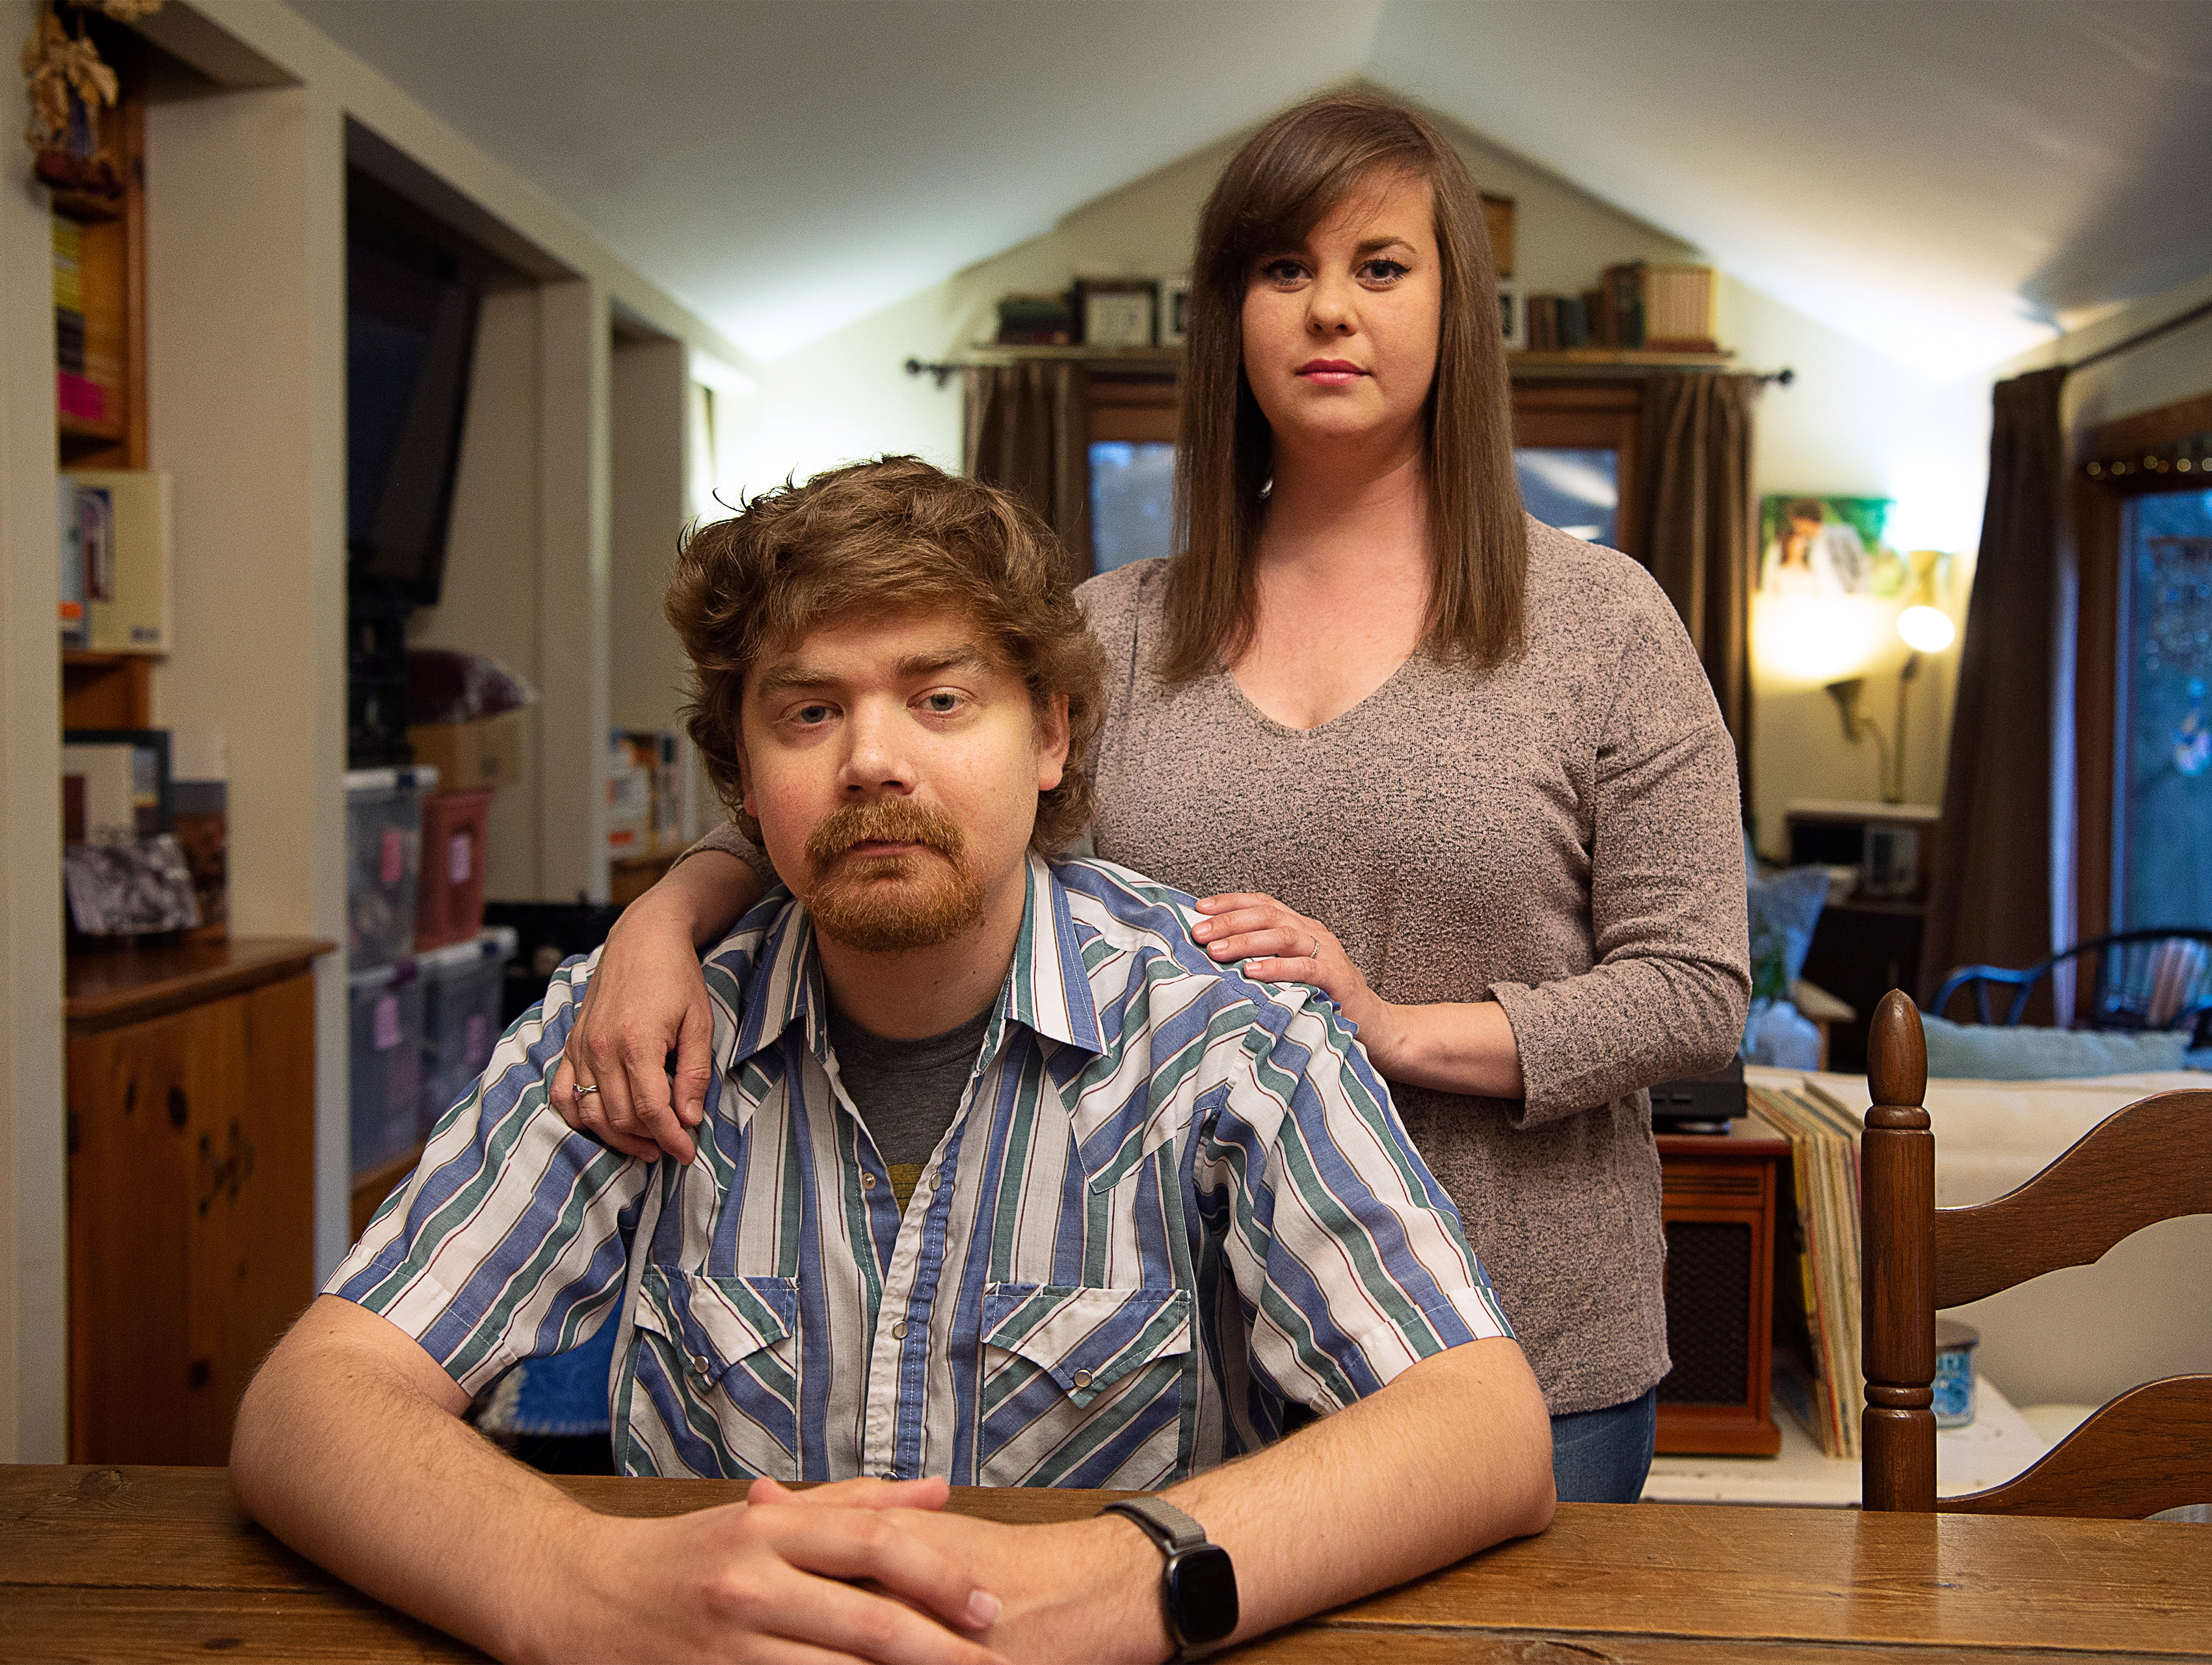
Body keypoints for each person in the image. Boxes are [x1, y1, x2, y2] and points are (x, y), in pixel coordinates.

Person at [557, 90, 1750, 1504]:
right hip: (1165, 1363)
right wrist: (656, 930)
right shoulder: (1106, 630)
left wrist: (1391, 1027)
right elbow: (866, 805)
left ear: (1457, 309)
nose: (1328, 311)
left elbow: (1693, 988)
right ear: (1229, 316)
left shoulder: (1604, 620)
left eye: (1380, 267)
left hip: (1531, 1349)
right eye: (1282, 270)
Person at [230, 459, 1554, 1665]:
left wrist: (1113, 1579)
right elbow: (310, 1404)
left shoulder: (1223, 1034)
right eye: (808, 712)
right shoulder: (636, 1030)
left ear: (1047, 734)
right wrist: (582, 1581)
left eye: (939, 697)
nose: (873, 759)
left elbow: (1484, 1427)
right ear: (745, 776)